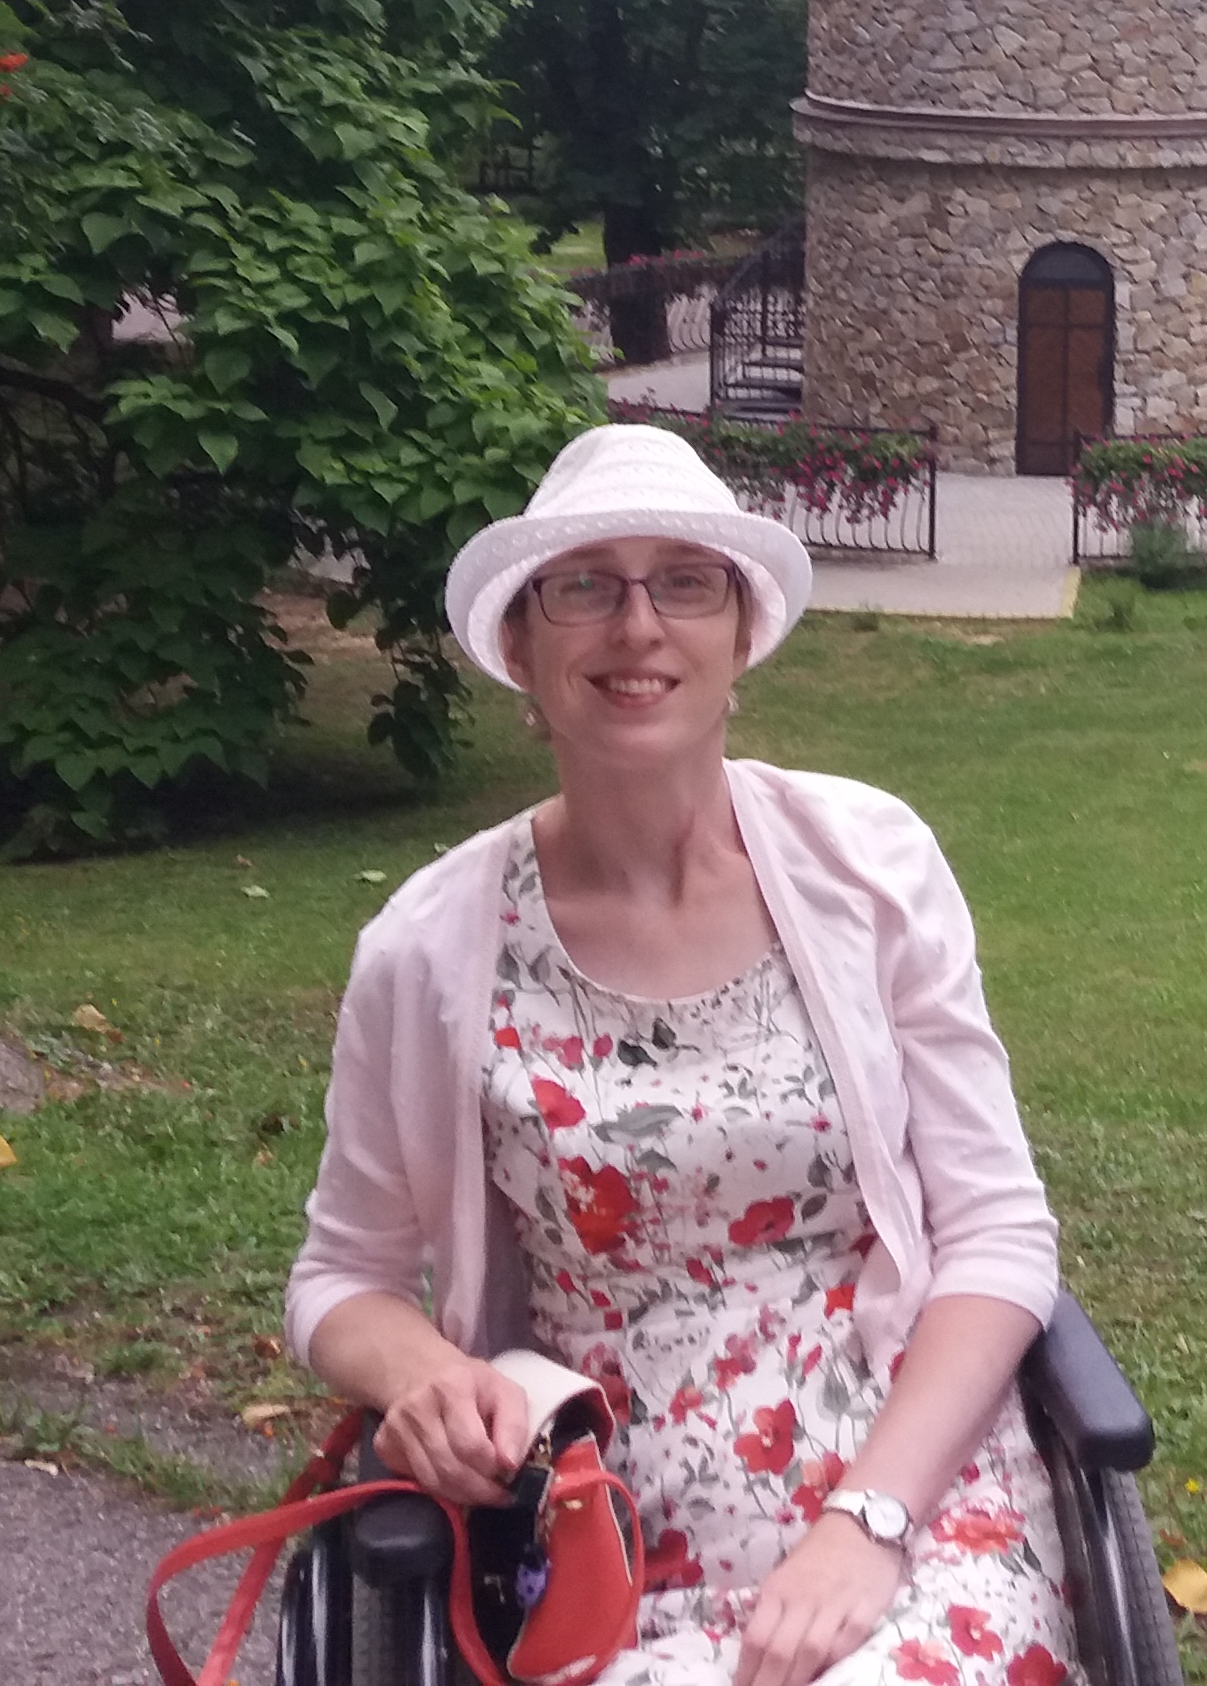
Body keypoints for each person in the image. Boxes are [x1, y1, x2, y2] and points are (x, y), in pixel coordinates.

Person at [289, 422, 1078, 1686]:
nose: (638, 625)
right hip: (601, 1544)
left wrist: (867, 1523)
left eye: (685, 584)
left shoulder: (870, 866)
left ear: (742, 636)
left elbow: (997, 1231)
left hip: (913, 1505)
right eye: (586, 587)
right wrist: (426, 1373)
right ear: (519, 645)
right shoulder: (427, 949)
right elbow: (340, 1277)